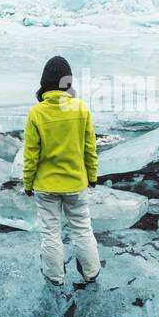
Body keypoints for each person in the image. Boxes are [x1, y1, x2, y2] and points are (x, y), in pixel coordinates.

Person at [22, 56, 101, 286]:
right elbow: (90, 148)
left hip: (46, 186)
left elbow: (31, 156)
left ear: (44, 82)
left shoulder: (37, 113)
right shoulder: (81, 108)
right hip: (76, 183)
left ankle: (54, 276)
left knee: (50, 233)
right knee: (82, 229)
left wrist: (28, 183)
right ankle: (92, 272)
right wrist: (92, 176)